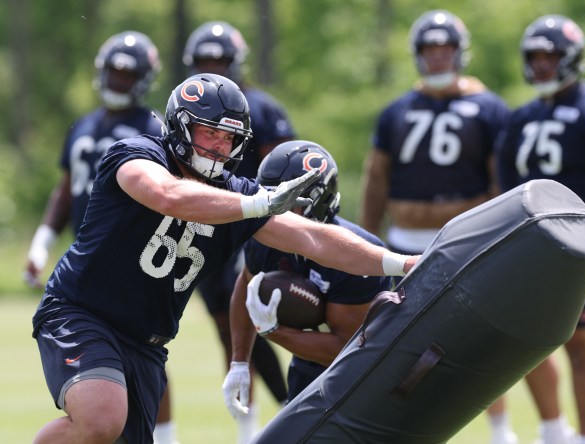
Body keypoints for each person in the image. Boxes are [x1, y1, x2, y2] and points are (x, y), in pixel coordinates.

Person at [31, 73, 418, 444]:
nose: (219, 146)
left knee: (110, 434)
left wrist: (400, 263)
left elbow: (314, 238)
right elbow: (169, 196)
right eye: (209, 132)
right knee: (101, 420)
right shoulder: (137, 155)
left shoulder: (238, 195)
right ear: (181, 127)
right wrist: (257, 204)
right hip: (82, 313)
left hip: (146, 341)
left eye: (229, 137)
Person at [358, 10, 514, 444]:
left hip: (467, 240)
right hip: (404, 241)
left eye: (446, 50)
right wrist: (365, 239)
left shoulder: (488, 108)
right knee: (396, 338)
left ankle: (501, 430)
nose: (439, 58)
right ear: (417, 56)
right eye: (431, 50)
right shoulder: (396, 112)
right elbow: (376, 179)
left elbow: (500, 182)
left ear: (460, 53)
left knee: (480, 336)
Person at [23, 31, 180, 444]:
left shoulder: (153, 128)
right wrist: (41, 241)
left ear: (144, 78)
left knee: (145, 353)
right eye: (113, 71)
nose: (119, 79)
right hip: (86, 265)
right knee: (96, 390)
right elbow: (64, 190)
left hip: (133, 262)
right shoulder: (86, 125)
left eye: (128, 74)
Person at [496, 14, 585, 444]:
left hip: (584, 246)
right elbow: (504, 187)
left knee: (583, 346)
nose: (542, 65)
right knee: (525, 341)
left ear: (570, 59)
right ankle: (552, 431)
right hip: (532, 247)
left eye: (550, 57)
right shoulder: (521, 117)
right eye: (535, 57)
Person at [221, 140, 393, 419]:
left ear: (318, 201)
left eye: (288, 200)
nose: (274, 210)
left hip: (367, 375)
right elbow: (247, 287)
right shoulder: (265, 238)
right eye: (271, 196)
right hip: (306, 365)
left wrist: (274, 332)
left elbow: (345, 349)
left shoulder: (355, 255)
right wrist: (239, 361)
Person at [182, 20, 294, 441]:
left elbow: (282, 170)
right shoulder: (186, 109)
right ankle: (248, 424)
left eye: (220, 60)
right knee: (226, 327)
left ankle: (288, 404)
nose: (212, 67)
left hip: (251, 227)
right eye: (205, 61)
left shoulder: (260, 107)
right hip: (204, 229)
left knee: (258, 318)